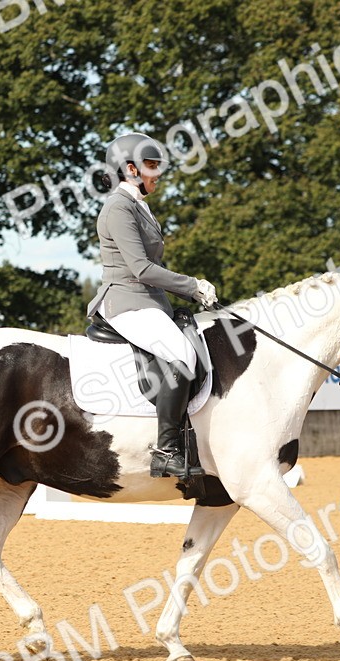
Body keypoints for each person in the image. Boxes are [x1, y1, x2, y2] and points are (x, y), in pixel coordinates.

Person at [87, 133, 219, 479]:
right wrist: (192, 286)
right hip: (126, 301)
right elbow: (141, 269)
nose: (157, 173)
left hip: (150, 302)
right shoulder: (118, 206)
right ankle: (166, 450)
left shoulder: (138, 205)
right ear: (130, 169)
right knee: (181, 354)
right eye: (150, 166)